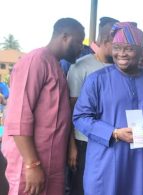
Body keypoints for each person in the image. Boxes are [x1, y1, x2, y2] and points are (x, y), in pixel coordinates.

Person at [73, 22, 143, 195]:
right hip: (105, 161)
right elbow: (80, 117)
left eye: (128, 49)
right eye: (117, 47)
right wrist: (114, 133)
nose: (121, 54)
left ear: (139, 51)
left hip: (138, 163)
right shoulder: (97, 80)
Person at [1, 18, 85, 195]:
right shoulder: (35, 61)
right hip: (30, 163)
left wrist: (70, 146)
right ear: (65, 36)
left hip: (51, 162)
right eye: (78, 42)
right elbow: (18, 117)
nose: (80, 48)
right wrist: (32, 164)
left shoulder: (56, 65)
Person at [67, 16, 119, 195]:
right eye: (117, 44)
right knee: (82, 188)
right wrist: (71, 146)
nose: (121, 50)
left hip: (112, 140)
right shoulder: (81, 67)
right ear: (106, 41)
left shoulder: (121, 69)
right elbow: (71, 110)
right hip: (84, 141)